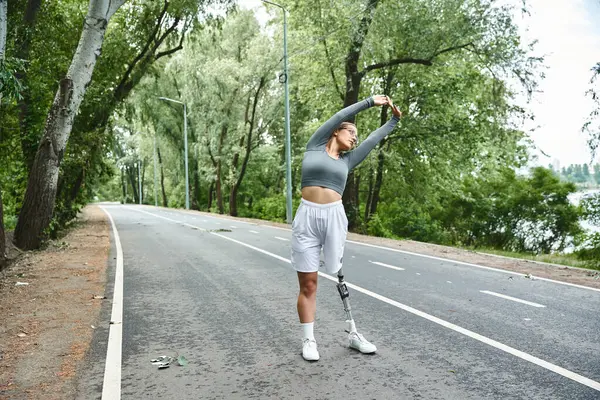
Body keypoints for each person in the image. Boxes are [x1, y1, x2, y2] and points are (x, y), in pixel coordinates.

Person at [291, 94, 402, 361]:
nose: (354, 137)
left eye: (356, 134)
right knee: (309, 284)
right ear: (335, 131)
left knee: (337, 273)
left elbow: (373, 140)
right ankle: (309, 339)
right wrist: (369, 102)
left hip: (334, 217)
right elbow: (340, 115)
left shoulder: (348, 160)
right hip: (306, 217)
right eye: (350, 131)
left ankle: (353, 334)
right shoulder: (314, 146)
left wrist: (395, 121)